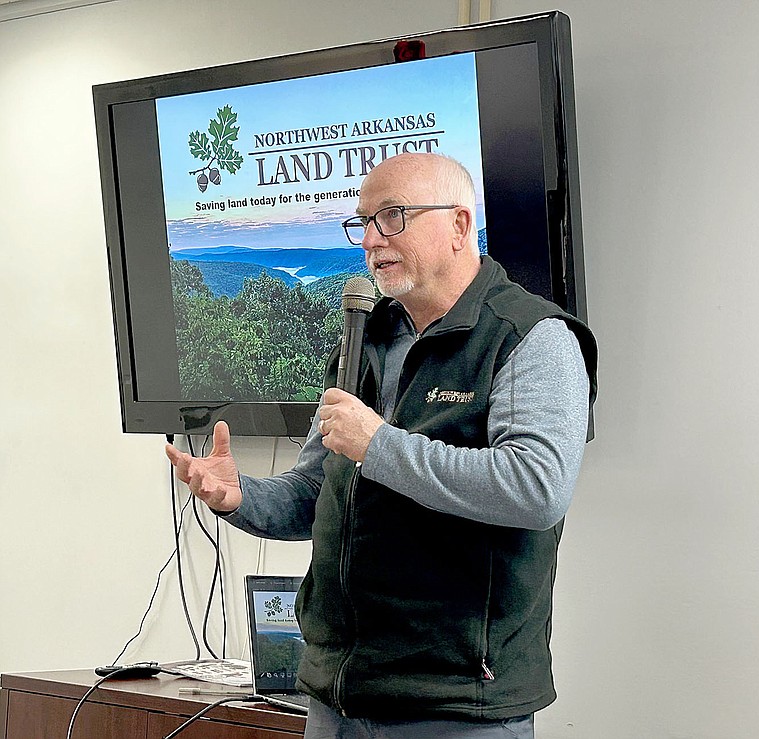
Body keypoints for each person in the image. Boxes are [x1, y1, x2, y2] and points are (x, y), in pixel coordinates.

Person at [166, 152, 597, 739]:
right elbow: (318, 491)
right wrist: (238, 498)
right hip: (335, 697)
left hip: (455, 707)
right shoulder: (364, 340)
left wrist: (379, 446)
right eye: (364, 221)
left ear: (459, 225)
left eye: (393, 217)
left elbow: (535, 490)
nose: (371, 239)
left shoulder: (532, 339)